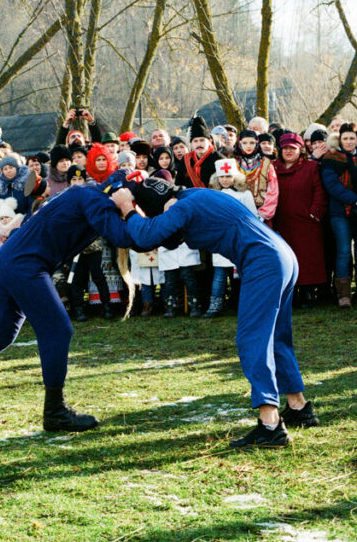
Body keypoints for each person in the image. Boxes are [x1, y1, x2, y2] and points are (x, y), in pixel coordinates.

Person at [0, 174, 143, 433]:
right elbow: (124, 237)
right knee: (57, 330)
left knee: (0, 331)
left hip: (14, 257)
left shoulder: (86, 191)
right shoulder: (96, 200)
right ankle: (55, 411)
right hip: (26, 263)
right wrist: (128, 208)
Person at [116, 177, 317, 448]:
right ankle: (298, 407)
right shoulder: (195, 195)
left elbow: (147, 235)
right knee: (276, 337)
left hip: (262, 260)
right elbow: (170, 238)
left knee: (253, 339)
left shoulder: (181, 207)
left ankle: (270, 424)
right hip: (281, 254)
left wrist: (127, 208)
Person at [320, 123, 357, 307]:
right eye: (345, 138)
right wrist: (354, 201)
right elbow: (332, 184)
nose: (348, 142)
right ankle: (343, 295)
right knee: (344, 251)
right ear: (340, 139)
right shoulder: (330, 158)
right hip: (340, 211)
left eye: (352, 138)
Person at [273, 133, 328, 308]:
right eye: (285, 148)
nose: (289, 151)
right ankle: (290, 292)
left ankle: (308, 291)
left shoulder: (311, 167)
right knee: (285, 258)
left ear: (300, 150)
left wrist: (314, 213)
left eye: (293, 148)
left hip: (306, 221)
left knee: (308, 257)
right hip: (281, 220)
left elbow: (319, 191)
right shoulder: (273, 167)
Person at [204, 159, 257, 317]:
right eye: (222, 176)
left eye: (228, 176)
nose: (225, 180)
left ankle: (243, 304)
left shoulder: (244, 194)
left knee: (241, 273)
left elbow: (252, 215)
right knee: (220, 275)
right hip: (220, 239)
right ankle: (215, 305)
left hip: (239, 238)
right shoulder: (213, 195)